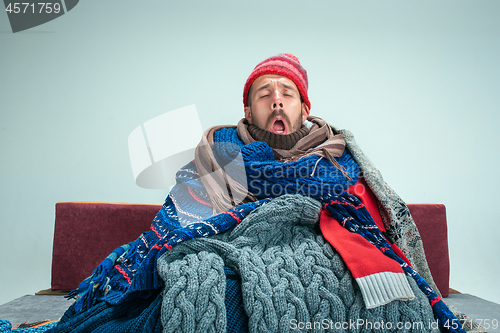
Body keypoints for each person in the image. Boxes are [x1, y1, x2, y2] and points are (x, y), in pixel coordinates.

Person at [48, 54, 467, 333]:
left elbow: (365, 222)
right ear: (249, 111)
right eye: (265, 95)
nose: (277, 102)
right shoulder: (220, 154)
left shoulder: (338, 158)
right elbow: (181, 222)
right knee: (199, 284)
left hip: (327, 251)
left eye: (287, 94)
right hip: (233, 248)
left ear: (305, 108)